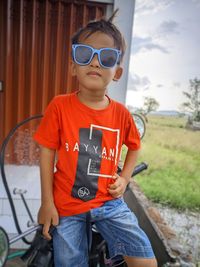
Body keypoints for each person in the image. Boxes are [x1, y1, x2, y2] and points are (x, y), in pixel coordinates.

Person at [34, 10, 157, 267]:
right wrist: (47, 202)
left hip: (110, 204)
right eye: (84, 54)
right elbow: (46, 153)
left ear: (118, 72)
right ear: (72, 66)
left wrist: (124, 178)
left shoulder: (122, 114)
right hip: (67, 208)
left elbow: (134, 147)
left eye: (107, 57)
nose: (95, 62)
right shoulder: (59, 106)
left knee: (145, 261)